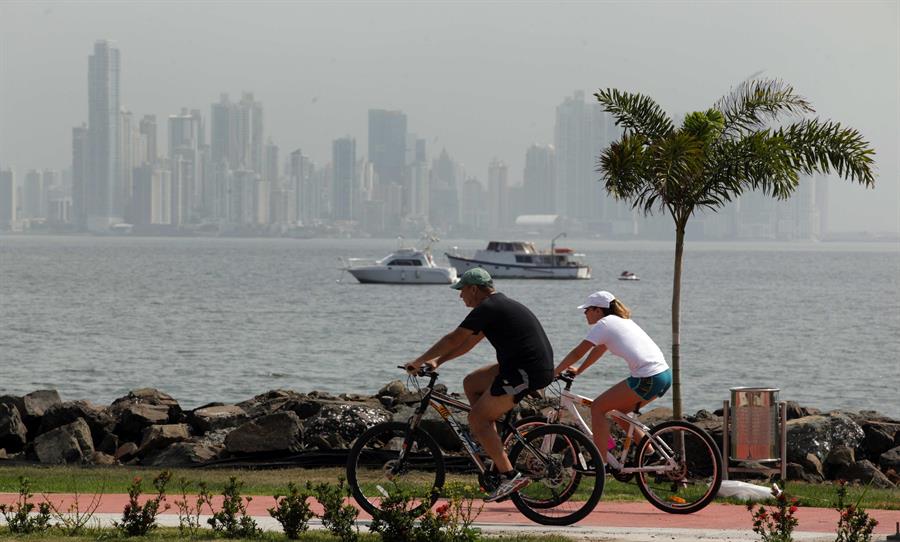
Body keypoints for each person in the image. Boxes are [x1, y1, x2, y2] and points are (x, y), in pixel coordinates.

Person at [406, 267, 554, 502]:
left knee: (476, 419)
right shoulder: (496, 307)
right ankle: (491, 438)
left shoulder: (488, 307)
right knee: (472, 383)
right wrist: (438, 361)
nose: (460, 296)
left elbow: (453, 338)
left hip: (525, 372)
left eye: (462, 290)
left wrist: (418, 361)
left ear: (474, 289)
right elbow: (467, 344)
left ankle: (509, 475)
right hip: (521, 366)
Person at [554, 290, 671, 466]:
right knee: (618, 414)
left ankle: (599, 463)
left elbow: (578, 351)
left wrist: (554, 371)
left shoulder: (605, 324)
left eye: (587, 309)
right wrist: (579, 370)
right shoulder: (621, 322)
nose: (584, 313)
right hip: (663, 375)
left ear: (598, 310)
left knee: (598, 408)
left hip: (648, 377)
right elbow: (599, 349)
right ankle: (651, 455)